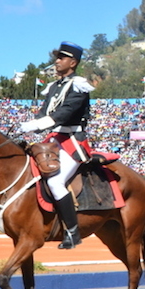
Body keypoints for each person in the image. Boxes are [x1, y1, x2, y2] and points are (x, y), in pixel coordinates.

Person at [19, 41, 94, 249]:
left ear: (73, 62)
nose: (57, 61)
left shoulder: (79, 85)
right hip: (53, 140)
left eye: (61, 58)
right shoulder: (53, 87)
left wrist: (37, 124)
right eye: (57, 58)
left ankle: (73, 231)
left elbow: (64, 113)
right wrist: (30, 125)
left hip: (72, 140)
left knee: (55, 181)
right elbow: (44, 113)